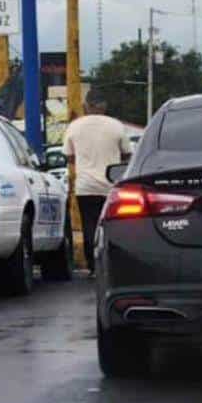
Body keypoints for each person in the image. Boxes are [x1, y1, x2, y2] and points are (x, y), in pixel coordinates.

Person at [64, 94, 132, 274]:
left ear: (86, 106)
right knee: (113, 224)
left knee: (89, 225)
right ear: (104, 106)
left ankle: (93, 266)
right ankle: (112, 263)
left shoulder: (74, 126)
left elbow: (69, 156)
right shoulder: (116, 125)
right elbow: (127, 154)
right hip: (111, 185)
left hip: (85, 187)